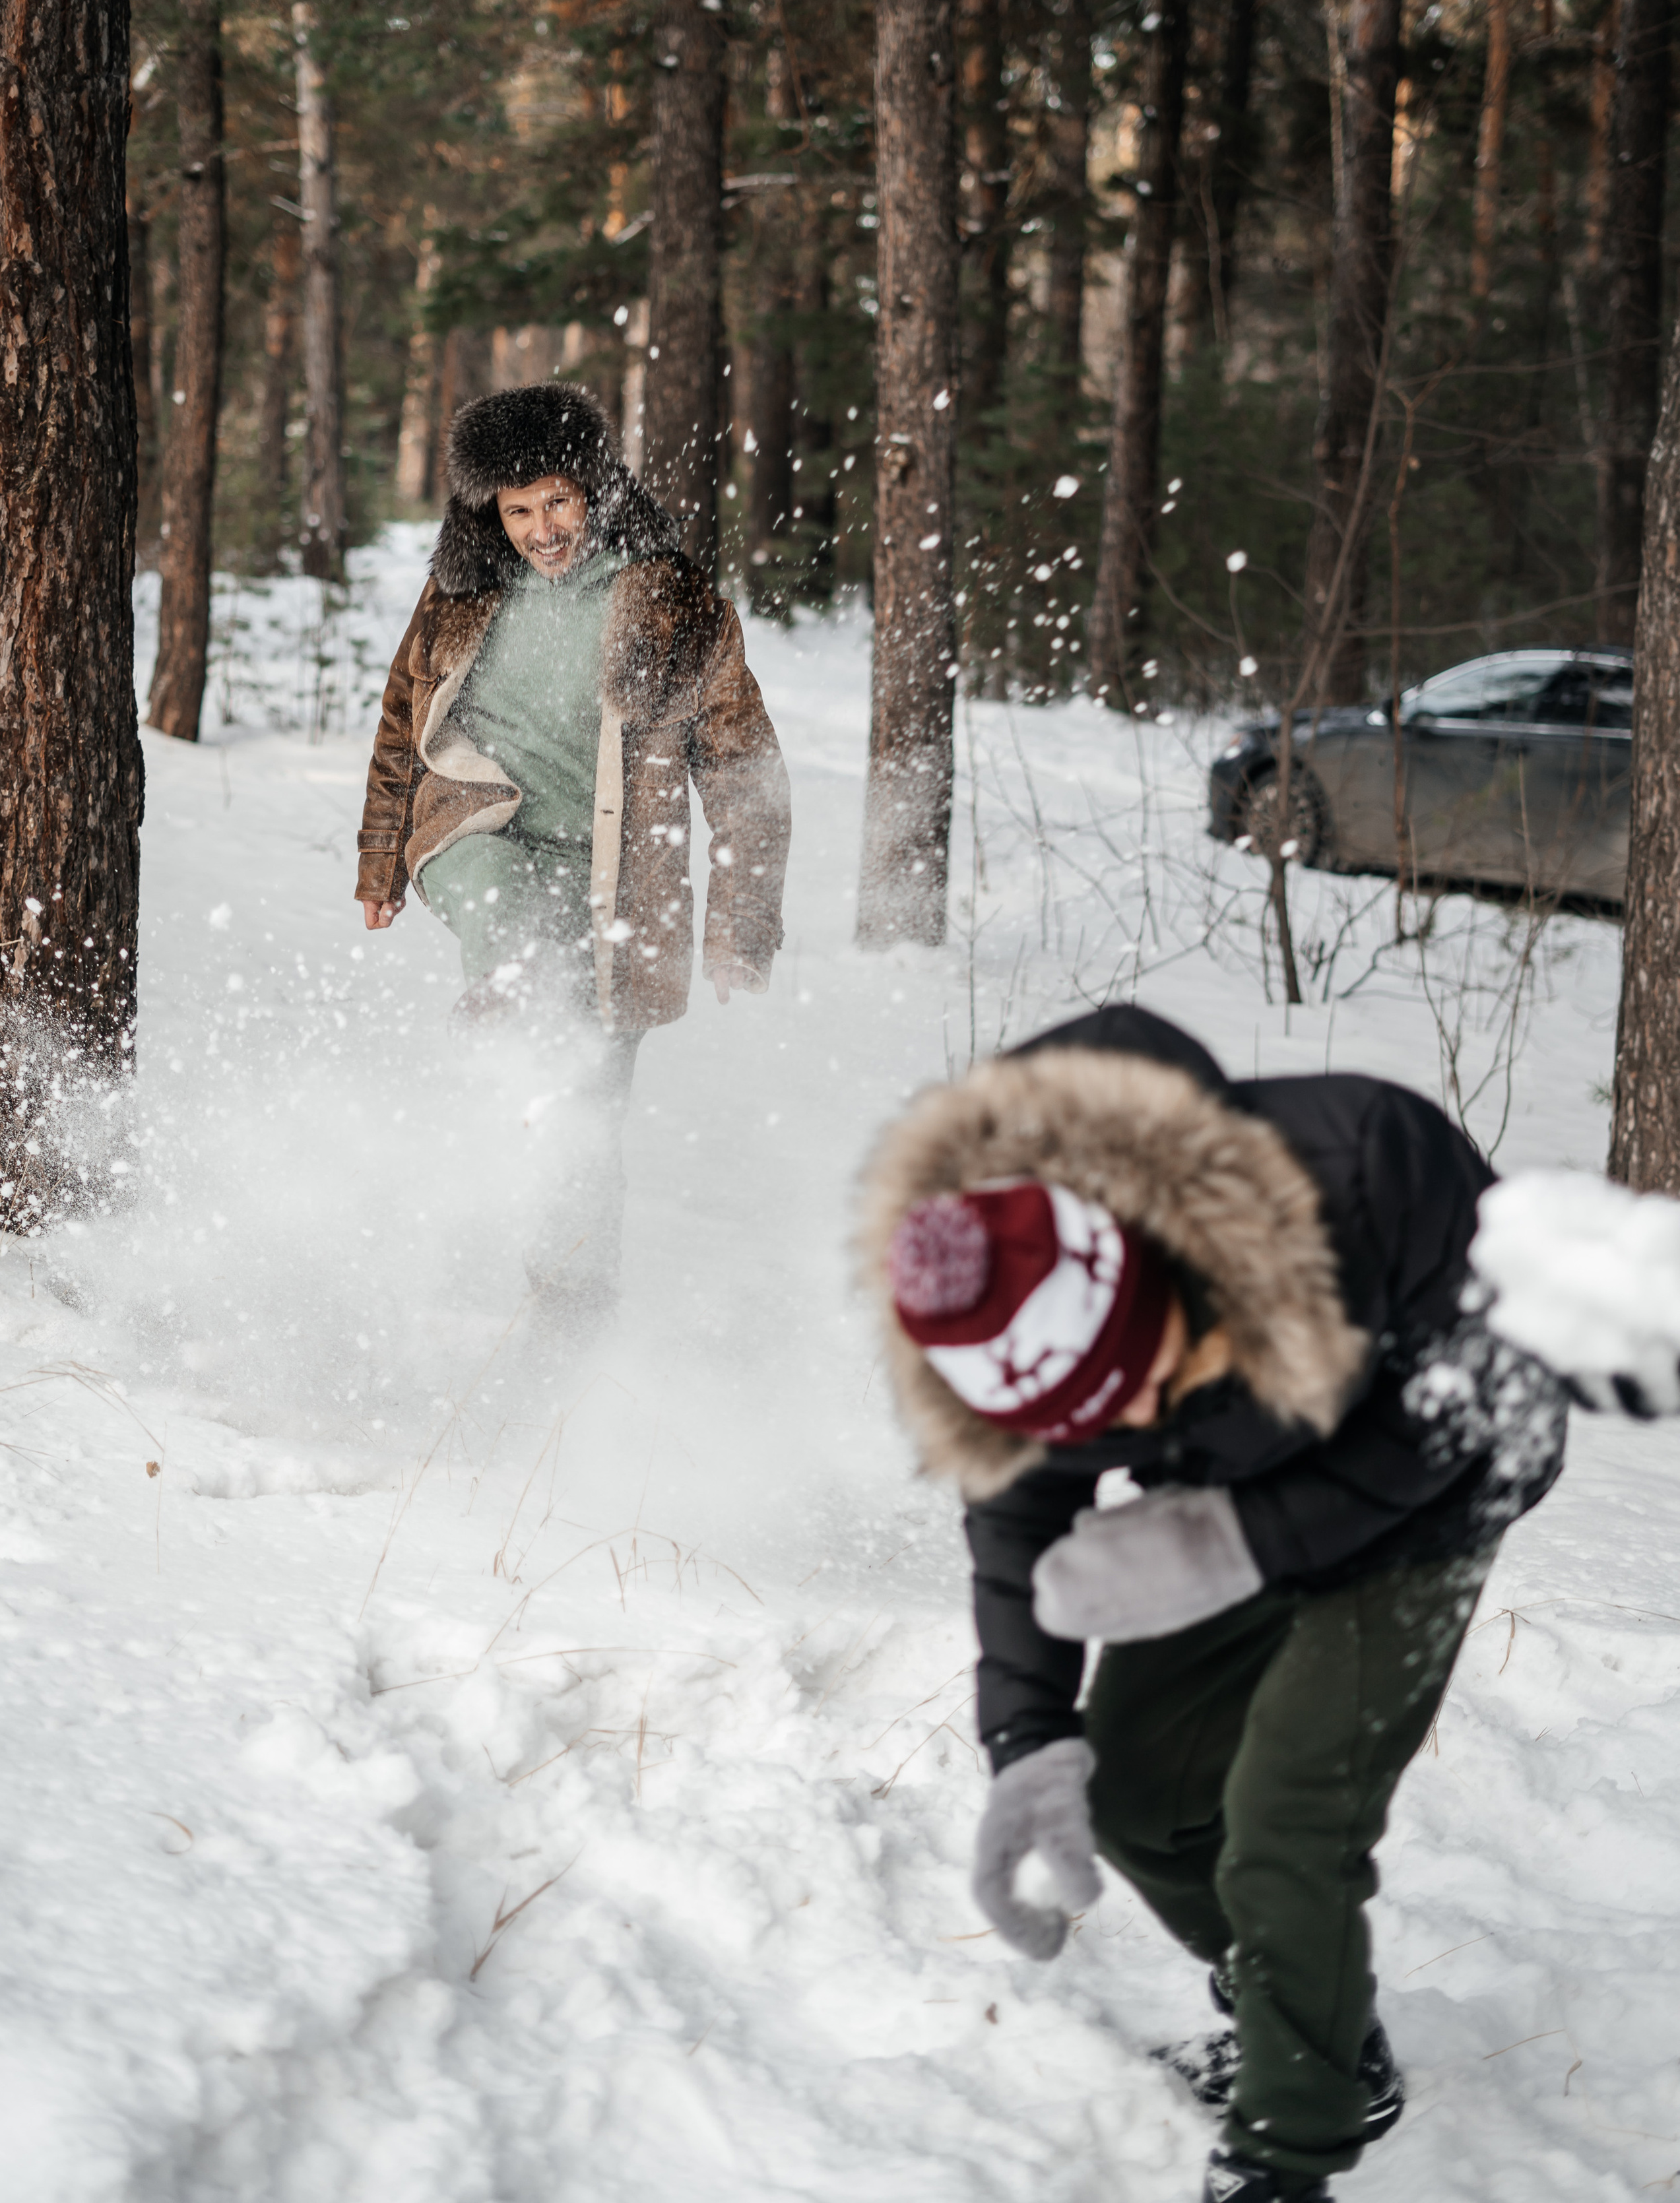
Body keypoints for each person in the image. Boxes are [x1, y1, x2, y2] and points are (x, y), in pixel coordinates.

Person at [858, 1004, 1578, 2202]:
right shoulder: (995, 1325)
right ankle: (1319, 2032)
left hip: (1433, 1485)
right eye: (1101, 1428)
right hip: (1228, 1495)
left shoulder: (1357, 1168)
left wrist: (1252, 1536)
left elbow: (1507, 1397)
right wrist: (1028, 1733)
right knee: (1143, 1798)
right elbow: (1017, 1516)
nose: (1134, 1428)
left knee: (1289, 1819)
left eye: (1158, 1379)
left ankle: (1289, 2146)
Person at [356, 381, 791, 1324]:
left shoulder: (672, 602)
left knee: (587, 1114)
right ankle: (502, 1013)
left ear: (595, 487)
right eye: (517, 511)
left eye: (556, 501)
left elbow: (745, 768)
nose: (541, 530)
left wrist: (741, 925)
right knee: (500, 912)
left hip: (619, 884)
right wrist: (382, 859)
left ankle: (567, 1306)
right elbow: (403, 720)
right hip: (479, 826)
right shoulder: (463, 592)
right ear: (490, 514)